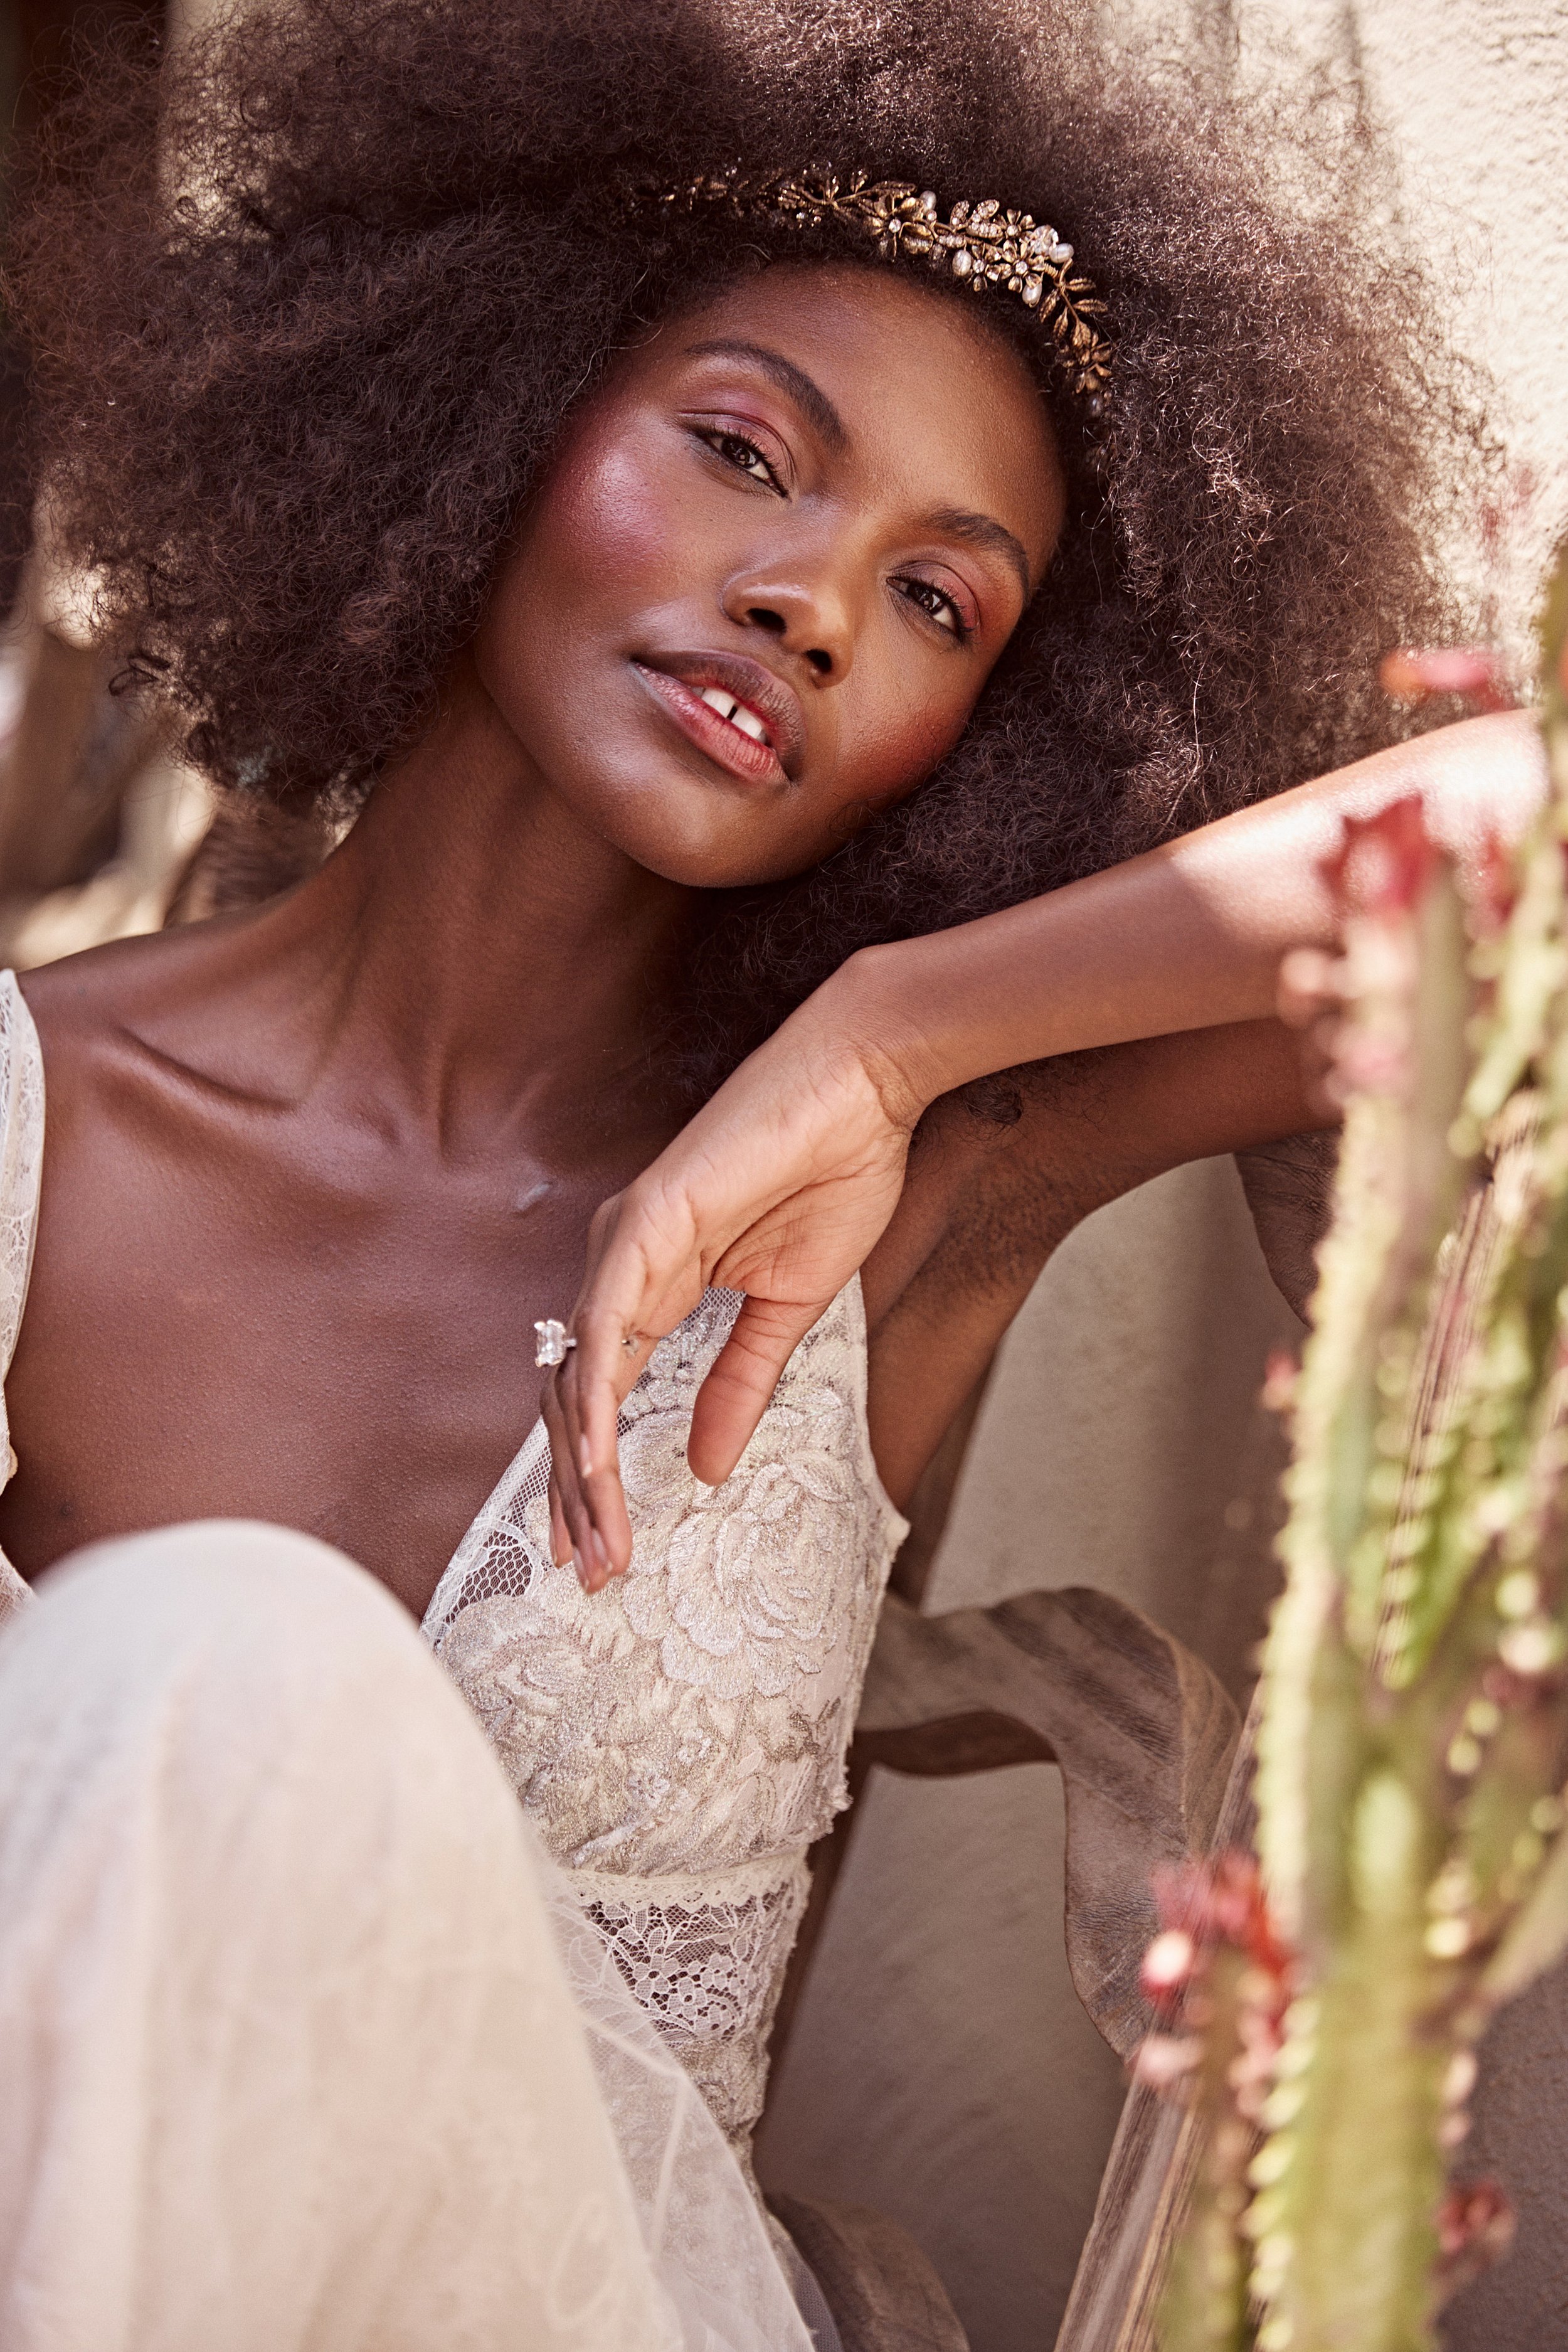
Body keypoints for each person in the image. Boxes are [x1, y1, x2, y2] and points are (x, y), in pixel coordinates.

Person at [0, 0, 1545, 2341]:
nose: (812, 600)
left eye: (940, 602)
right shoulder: (40, 1110)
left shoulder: (922, 1190)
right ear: (489, 409)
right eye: (744, 451)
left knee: (236, 1658)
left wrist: (900, 1027)